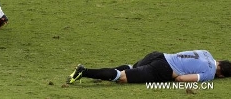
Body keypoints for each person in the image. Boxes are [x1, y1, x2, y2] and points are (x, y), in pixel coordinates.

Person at [67, 50, 231, 84]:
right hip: (162, 68)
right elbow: (181, 78)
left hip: (158, 55)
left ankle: (102, 77)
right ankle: (84, 72)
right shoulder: (209, 73)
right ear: (221, 75)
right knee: (122, 77)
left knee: (129, 68)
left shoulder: (206, 53)